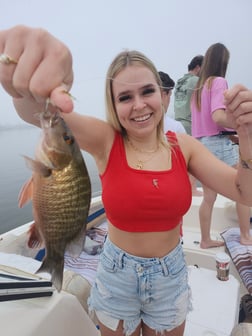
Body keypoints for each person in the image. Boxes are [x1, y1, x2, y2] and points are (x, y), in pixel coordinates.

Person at [1, 26, 252, 336]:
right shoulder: (106, 140)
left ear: (161, 94)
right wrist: (23, 73)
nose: (138, 105)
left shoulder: (185, 146)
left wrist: (247, 137)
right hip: (116, 275)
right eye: (125, 97)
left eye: (147, 91)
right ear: (113, 105)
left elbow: (244, 190)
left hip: (170, 274)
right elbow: (39, 113)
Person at [191, 42, 252, 249]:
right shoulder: (218, 82)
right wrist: (242, 124)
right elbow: (217, 116)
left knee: (209, 197)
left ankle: (205, 240)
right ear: (223, 62)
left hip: (201, 145)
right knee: (244, 191)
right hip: (218, 144)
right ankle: (245, 236)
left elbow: (202, 123)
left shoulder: (197, 89)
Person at [174, 56, 204, 196]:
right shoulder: (196, 81)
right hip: (190, 123)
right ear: (198, 67)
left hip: (178, 123)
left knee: (181, 159)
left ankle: (183, 187)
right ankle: (191, 189)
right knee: (192, 158)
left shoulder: (180, 82)